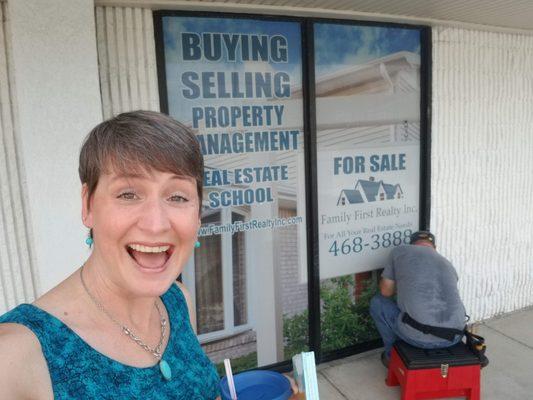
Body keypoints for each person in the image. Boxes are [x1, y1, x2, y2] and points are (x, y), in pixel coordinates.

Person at [0, 111, 221, 399]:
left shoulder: (178, 301)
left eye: (177, 196)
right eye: (128, 194)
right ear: (88, 205)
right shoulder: (16, 354)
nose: (156, 224)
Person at [370, 230, 467, 367]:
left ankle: (391, 356)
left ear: (412, 244)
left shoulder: (399, 251)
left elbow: (386, 292)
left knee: (378, 303)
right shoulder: (447, 263)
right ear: (434, 247)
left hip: (418, 338)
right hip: (455, 336)